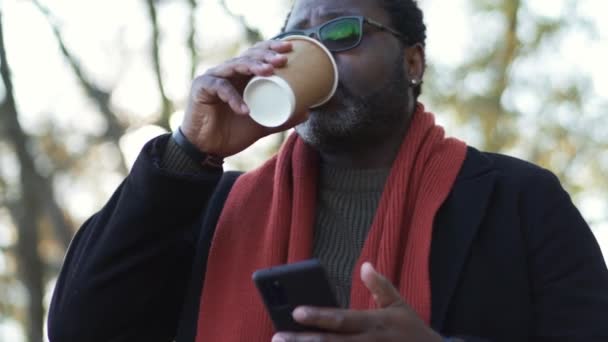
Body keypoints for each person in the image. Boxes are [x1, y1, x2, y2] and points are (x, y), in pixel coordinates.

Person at [48, 0, 608, 341]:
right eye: (294, 41)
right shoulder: (215, 206)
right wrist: (190, 151)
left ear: (413, 62)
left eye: (342, 33)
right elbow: (84, 329)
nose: (315, 51)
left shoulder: (519, 199)